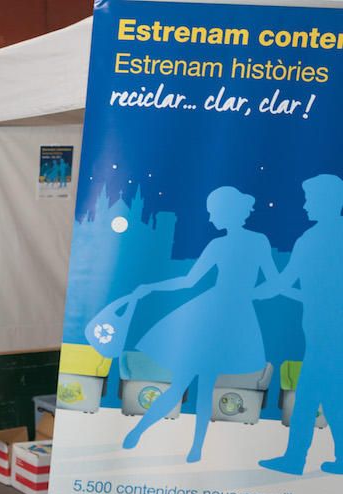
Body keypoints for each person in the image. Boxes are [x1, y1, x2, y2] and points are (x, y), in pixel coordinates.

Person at [119, 186, 279, 463]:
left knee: (188, 384)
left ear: (225, 211)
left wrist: (151, 287)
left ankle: (161, 438)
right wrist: (152, 287)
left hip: (220, 318)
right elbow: (271, 283)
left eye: (213, 211)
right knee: (199, 386)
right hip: (221, 316)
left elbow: (190, 282)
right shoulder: (246, 242)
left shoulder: (238, 243)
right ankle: (179, 444)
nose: (210, 216)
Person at [258, 174, 343, 475]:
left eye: (311, 199)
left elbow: (283, 282)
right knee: (333, 397)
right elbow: (307, 291)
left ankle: (294, 460)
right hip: (329, 334)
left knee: (308, 398)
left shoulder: (312, 239)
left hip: (324, 337)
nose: (306, 206)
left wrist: (254, 291)